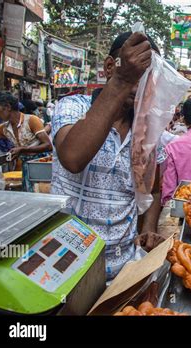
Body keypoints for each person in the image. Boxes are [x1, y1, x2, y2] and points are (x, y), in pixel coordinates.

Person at [51, 31, 162, 280]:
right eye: (137, 75)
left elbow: (152, 189)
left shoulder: (147, 131)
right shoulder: (73, 107)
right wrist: (123, 81)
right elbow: (72, 158)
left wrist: (149, 227)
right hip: (66, 270)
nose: (142, 85)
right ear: (111, 67)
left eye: (149, 77)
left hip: (123, 270)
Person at [0, 92, 52, 191]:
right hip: (25, 166)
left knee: (39, 194)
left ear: (8, 107)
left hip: (40, 166)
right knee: (28, 193)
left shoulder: (31, 120)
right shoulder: (5, 128)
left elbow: (48, 145)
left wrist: (22, 149)